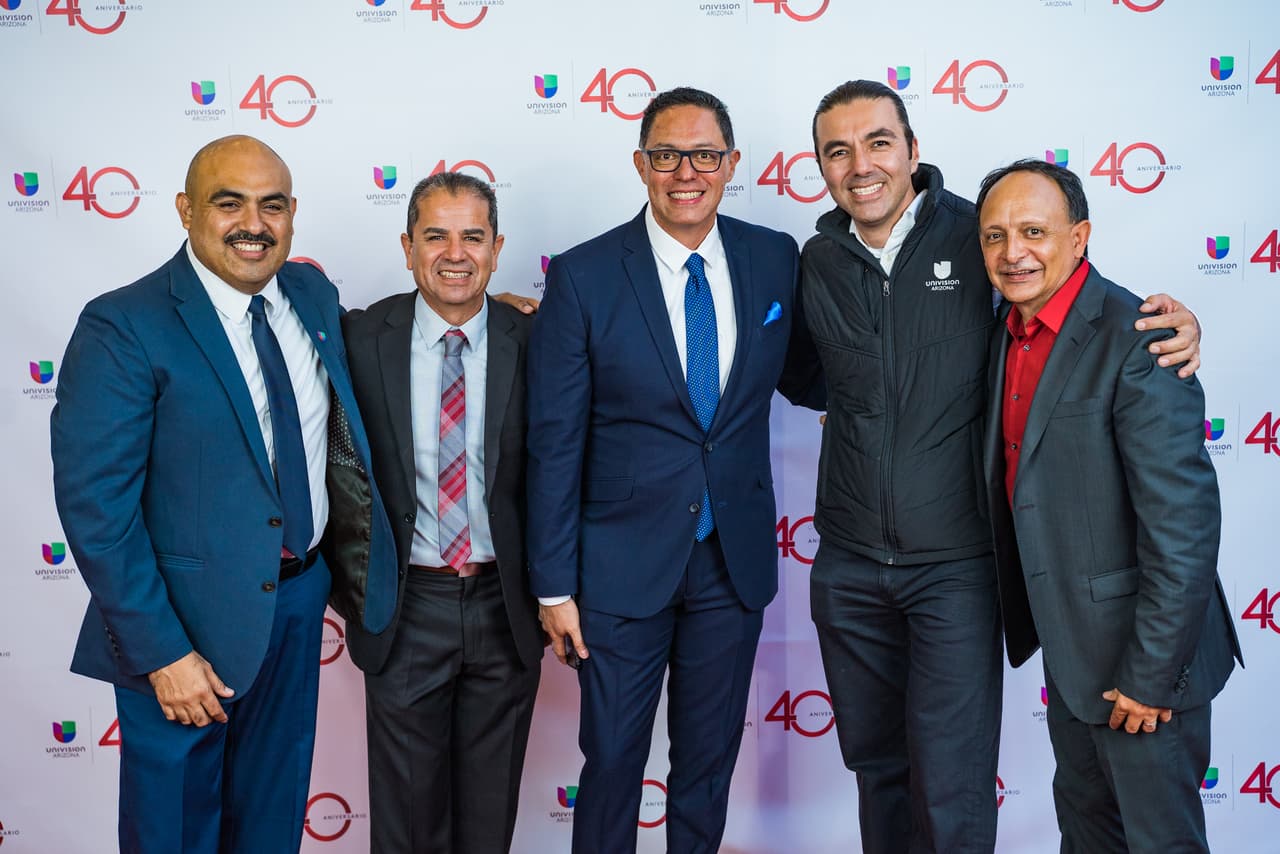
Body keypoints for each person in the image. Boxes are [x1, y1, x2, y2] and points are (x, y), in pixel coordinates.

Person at [800, 80, 1202, 853]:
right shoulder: (818, 259)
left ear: (913, 150)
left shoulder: (977, 237)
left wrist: (1178, 325)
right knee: (878, 772)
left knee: (952, 785)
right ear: (819, 165)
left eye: (878, 142)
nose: (860, 165)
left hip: (955, 566)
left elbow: (1080, 313)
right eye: (837, 150)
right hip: (849, 566)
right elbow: (790, 369)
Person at [49, 134, 396, 854]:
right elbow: (97, 511)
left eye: (272, 205)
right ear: (184, 209)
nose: (253, 223)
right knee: (174, 832)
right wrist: (161, 652)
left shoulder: (310, 294)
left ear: (293, 213)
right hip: (183, 630)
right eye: (228, 202)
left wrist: (486, 312)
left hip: (297, 606)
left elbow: (375, 348)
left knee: (270, 824)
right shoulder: (124, 325)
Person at [527, 86, 823, 854]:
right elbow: (555, 439)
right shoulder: (585, 275)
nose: (684, 172)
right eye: (666, 155)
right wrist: (554, 584)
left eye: (703, 155)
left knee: (706, 767)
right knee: (615, 762)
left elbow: (817, 373)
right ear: (641, 165)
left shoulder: (772, 258)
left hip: (733, 564)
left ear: (730, 164)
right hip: (619, 570)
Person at [977, 158, 1242, 852]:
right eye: (995, 235)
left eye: (1034, 231)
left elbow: (1182, 528)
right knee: (1089, 840)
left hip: (1146, 667)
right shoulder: (1002, 333)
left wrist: (1150, 678)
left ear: (1081, 235)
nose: (1014, 252)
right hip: (1072, 661)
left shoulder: (1141, 336)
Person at [341, 172, 543, 854]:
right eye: (435, 236)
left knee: (488, 824)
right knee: (405, 828)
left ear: (496, 249)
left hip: (504, 606)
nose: (454, 254)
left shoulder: (537, 339)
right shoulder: (360, 339)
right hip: (406, 607)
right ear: (407, 246)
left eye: (472, 237)